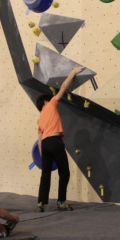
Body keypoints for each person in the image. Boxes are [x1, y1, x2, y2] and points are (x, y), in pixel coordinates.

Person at [35, 66, 84, 212]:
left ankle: (41, 204)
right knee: (64, 173)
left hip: (45, 145)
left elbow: (39, 139)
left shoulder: (40, 118)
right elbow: (63, 87)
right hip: (56, 142)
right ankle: (61, 202)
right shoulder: (51, 104)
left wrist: (43, 154)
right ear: (45, 101)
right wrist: (73, 72)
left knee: (45, 174)